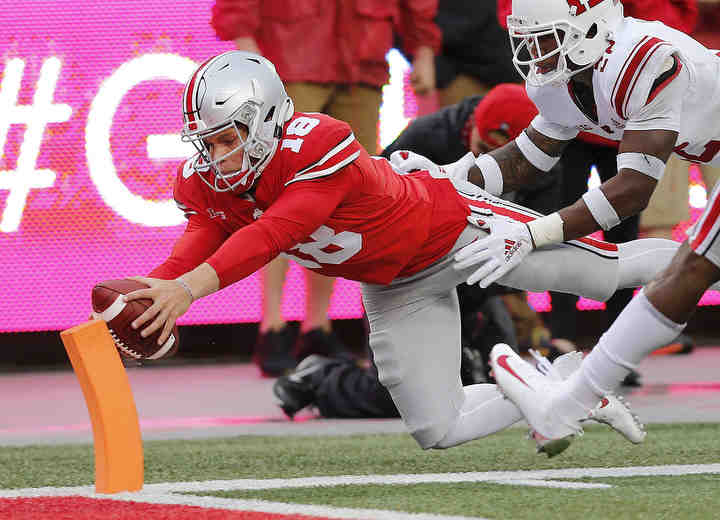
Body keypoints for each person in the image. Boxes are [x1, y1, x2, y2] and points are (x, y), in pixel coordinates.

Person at [125, 51, 699, 453]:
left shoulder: (319, 141)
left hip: (454, 231)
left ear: (270, 120)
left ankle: (710, 255)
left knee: (603, 274)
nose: (217, 155)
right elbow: (205, 229)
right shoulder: (204, 180)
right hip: (392, 284)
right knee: (438, 428)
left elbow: (273, 233)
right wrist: (158, 289)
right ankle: (564, 385)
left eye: (229, 138)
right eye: (209, 141)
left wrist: (189, 289)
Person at [444, 0, 720, 451]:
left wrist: (534, 234)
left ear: (590, 29)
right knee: (689, 272)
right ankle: (568, 406)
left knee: (689, 270)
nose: (534, 52)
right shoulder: (569, 78)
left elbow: (631, 190)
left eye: (546, 38)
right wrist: (446, 180)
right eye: (527, 39)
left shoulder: (645, 59)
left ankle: (566, 407)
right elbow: (525, 158)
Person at [273, 84, 543, 420]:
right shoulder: (424, 139)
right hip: (403, 273)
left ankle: (464, 357)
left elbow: (541, 236)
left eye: (503, 159)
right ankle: (319, 378)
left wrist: (505, 299)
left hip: (478, 275)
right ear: (470, 127)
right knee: (403, 400)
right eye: (482, 149)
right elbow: (366, 207)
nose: (490, 164)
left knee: (502, 386)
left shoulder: (544, 159)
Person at [210, 0, 441, 376]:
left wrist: (423, 49)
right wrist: (249, 51)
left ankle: (317, 325)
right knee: (279, 195)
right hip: (289, 60)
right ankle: (272, 326)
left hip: (361, 59)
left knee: (350, 200)